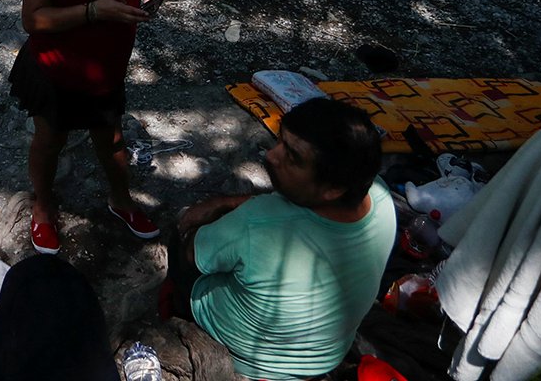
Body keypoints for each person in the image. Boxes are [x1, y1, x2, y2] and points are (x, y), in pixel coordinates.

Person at [165, 98, 395, 381]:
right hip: (327, 356)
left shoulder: (260, 223)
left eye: (293, 157)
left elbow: (193, 254)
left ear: (333, 189)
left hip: (247, 358)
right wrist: (231, 202)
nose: (272, 156)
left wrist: (203, 223)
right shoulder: (380, 196)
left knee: (180, 243)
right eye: (280, 141)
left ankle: (174, 307)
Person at [11, 0, 168, 255]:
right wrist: (94, 10)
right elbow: (32, 19)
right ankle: (43, 207)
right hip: (57, 69)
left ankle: (121, 200)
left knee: (112, 138)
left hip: (109, 65)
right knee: (50, 138)